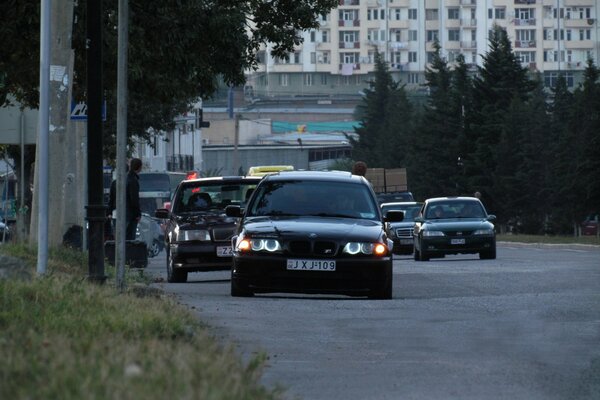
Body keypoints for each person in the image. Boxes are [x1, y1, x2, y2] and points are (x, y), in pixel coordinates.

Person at [126, 158, 143, 240]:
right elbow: (134, 199)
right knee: (130, 238)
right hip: (131, 214)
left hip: (125, 213)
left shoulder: (126, 178)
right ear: (139, 167)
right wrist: (138, 214)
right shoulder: (133, 180)